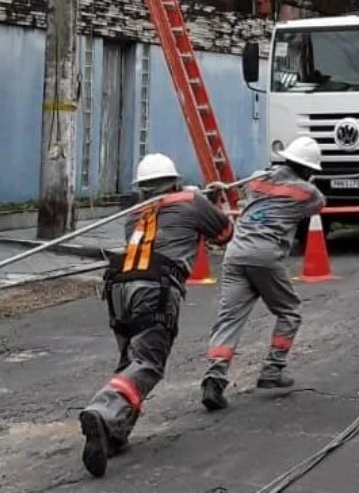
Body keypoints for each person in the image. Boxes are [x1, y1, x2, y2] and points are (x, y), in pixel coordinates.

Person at [79, 153, 234, 478]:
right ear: (175, 181)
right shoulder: (192, 201)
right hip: (156, 288)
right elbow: (224, 234)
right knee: (148, 362)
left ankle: (114, 431)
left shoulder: (133, 214)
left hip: (118, 288)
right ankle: (102, 409)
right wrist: (216, 202)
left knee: (131, 362)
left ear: (142, 188)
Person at [200, 136, 326, 411]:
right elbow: (318, 205)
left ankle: (214, 377)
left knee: (229, 318)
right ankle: (273, 369)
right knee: (289, 311)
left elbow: (246, 188)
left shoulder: (256, 179)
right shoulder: (307, 192)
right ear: (308, 170)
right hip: (264, 253)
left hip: (235, 253)